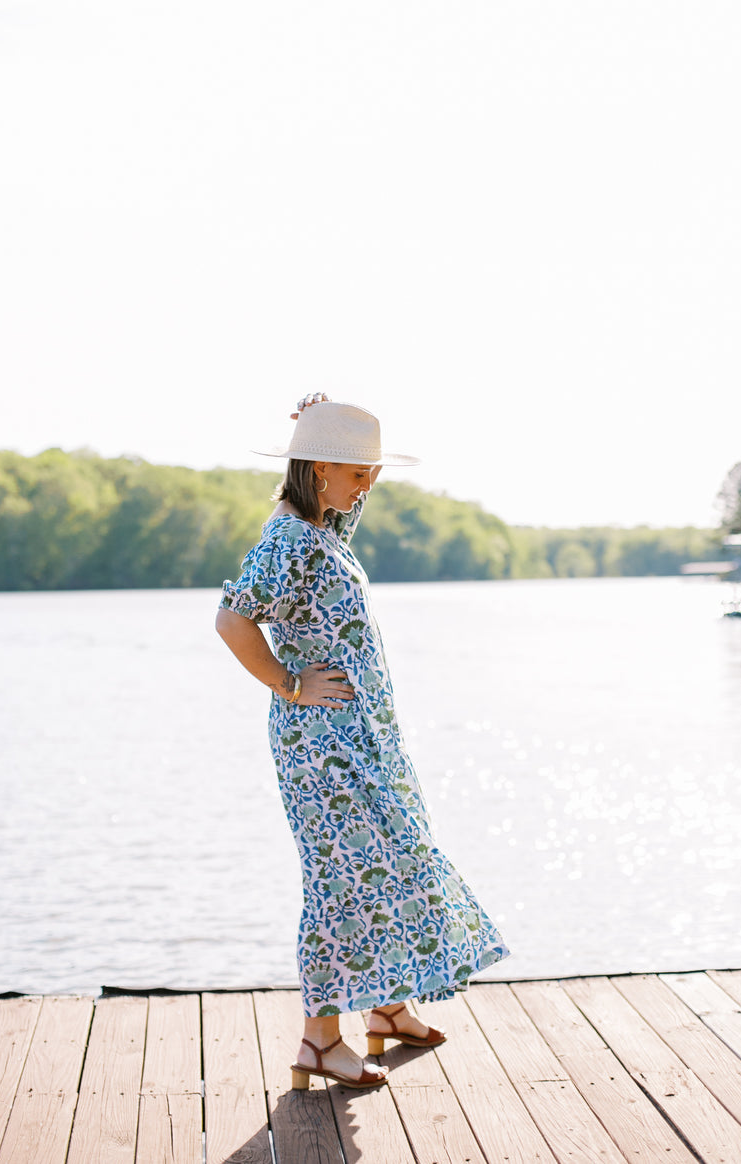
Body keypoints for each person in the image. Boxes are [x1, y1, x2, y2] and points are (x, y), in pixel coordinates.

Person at [216, 393, 509, 1091]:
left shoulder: (320, 531)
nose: (366, 487)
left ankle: (387, 1007)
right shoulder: (288, 542)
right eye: (356, 474)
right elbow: (232, 623)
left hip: (364, 740)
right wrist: (289, 683)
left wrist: (321, 425)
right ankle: (320, 1040)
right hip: (325, 746)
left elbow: (340, 518)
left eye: (372, 474)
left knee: (395, 857)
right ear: (319, 469)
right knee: (341, 881)